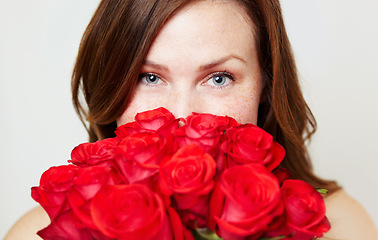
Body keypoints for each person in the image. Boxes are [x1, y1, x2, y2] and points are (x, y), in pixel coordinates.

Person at [5, 0, 378, 239]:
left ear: (267, 84)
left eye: (219, 78)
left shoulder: (341, 228)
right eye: (149, 77)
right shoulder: (39, 234)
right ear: (112, 86)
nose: (182, 116)